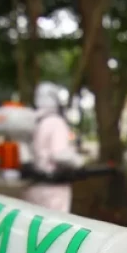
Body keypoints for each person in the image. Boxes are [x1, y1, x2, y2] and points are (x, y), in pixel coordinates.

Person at [23, 83, 82, 212]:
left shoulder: (35, 122)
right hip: (53, 189)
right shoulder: (56, 122)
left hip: (34, 187)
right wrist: (78, 160)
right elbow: (59, 155)